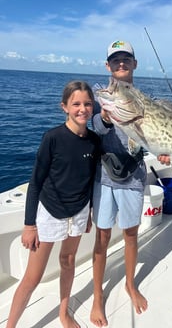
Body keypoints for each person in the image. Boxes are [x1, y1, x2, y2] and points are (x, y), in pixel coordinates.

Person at [6, 81, 100, 328]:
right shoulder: (53, 138)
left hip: (79, 212)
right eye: (76, 104)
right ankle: (10, 325)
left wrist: (88, 212)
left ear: (93, 107)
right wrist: (29, 225)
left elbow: (89, 180)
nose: (83, 109)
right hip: (49, 213)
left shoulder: (94, 141)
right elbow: (35, 183)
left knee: (68, 261)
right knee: (33, 277)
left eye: (88, 103)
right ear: (65, 107)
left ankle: (63, 312)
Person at [90, 40, 170, 327]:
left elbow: (153, 139)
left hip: (133, 176)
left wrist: (165, 150)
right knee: (100, 239)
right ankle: (98, 295)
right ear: (107, 65)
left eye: (126, 59)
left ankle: (130, 284)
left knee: (131, 235)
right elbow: (97, 127)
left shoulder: (147, 101)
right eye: (115, 60)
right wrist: (106, 117)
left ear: (135, 63)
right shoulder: (104, 95)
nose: (120, 63)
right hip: (104, 178)